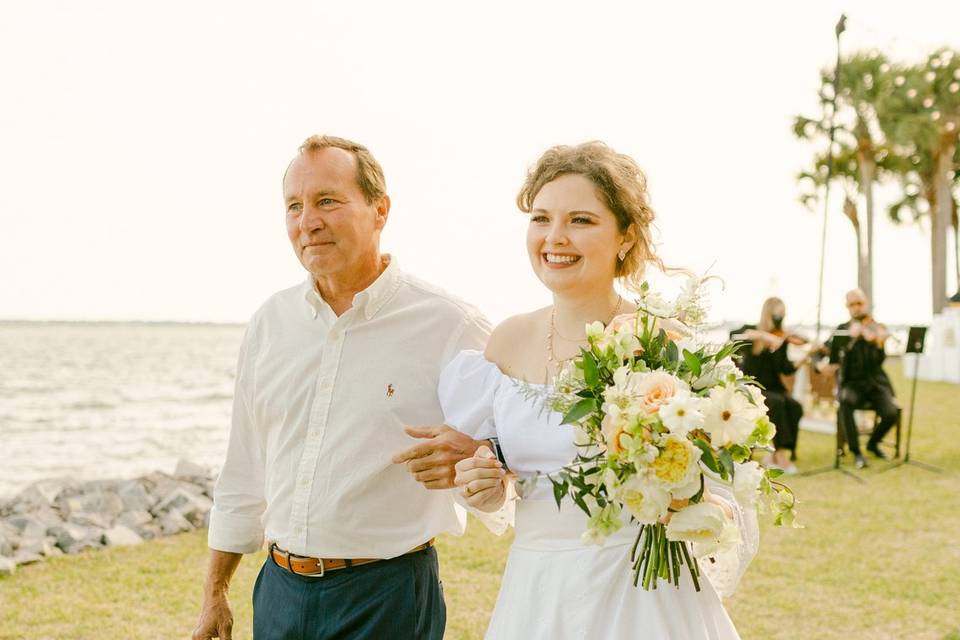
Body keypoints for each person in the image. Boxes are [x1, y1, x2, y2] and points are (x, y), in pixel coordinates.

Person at [410, 142, 758, 639]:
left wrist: (703, 505)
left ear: (625, 236)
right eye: (541, 218)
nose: (555, 237)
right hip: (537, 592)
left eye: (580, 220)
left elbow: (723, 483)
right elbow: (502, 481)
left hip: (642, 593)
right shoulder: (507, 340)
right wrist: (483, 483)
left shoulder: (663, 340)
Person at [192, 135, 492, 640]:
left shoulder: (450, 325)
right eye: (294, 206)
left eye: (327, 201)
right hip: (279, 592)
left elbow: (513, 455)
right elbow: (244, 468)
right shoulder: (269, 323)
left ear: (380, 210)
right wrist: (215, 593)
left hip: (388, 597)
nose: (308, 221)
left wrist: (479, 453)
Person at [731, 298, 811, 474]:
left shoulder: (780, 338)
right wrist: (763, 336)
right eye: (776, 314)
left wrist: (802, 360)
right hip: (753, 388)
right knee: (778, 403)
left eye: (782, 315)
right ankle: (779, 455)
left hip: (774, 387)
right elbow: (733, 336)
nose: (779, 318)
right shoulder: (751, 333)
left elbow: (785, 368)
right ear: (767, 313)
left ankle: (775, 456)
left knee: (794, 406)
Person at [830, 288, 899, 469]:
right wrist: (850, 340)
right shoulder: (842, 330)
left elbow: (880, 360)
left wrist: (876, 342)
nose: (856, 308)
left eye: (859, 303)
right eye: (852, 304)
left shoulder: (876, 328)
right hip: (853, 384)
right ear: (847, 307)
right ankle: (856, 451)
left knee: (891, 413)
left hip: (876, 383)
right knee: (845, 402)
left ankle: (872, 443)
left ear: (865, 304)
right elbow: (833, 355)